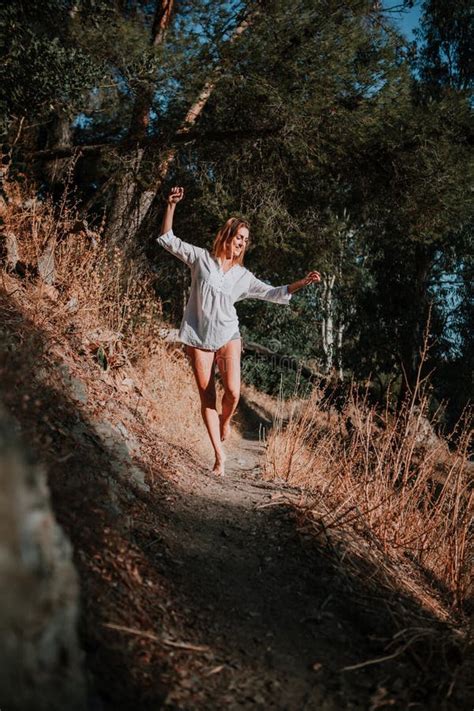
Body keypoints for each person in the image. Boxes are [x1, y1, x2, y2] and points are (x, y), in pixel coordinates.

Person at [157, 186, 321, 475]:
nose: (242, 244)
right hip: (198, 338)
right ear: (227, 236)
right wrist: (171, 206)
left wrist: (302, 283)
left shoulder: (243, 276)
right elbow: (168, 239)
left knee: (232, 391)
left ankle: (225, 421)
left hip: (228, 336)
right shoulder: (201, 259)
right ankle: (220, 458)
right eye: (239, 237)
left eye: (246, 240)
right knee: (207, 397)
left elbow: (274, 292)